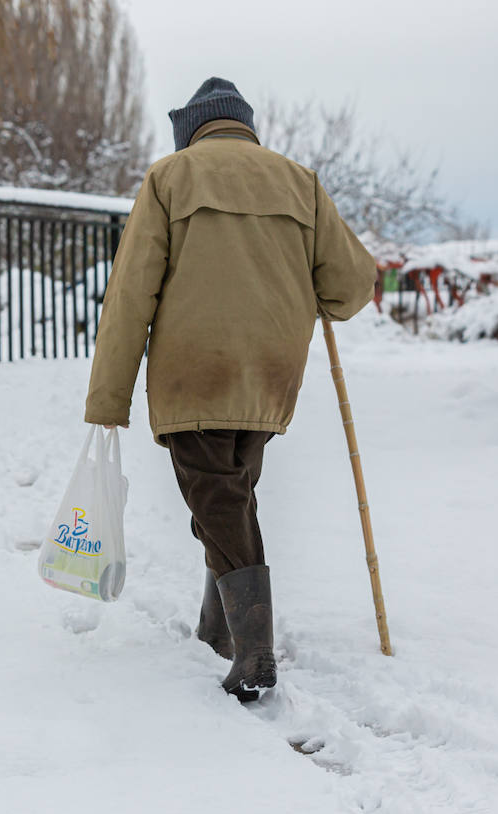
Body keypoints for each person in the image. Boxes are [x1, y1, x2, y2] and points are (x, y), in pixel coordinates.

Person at [83, 77, 376, 702]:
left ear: (191, 130)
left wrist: (109, 396)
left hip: (195, 368)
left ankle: (252, 650)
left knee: (217, 497)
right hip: (271, 370)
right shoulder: (301, 181)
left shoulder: (170, 177)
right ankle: (220, 626)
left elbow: (131, 296)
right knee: (229, 493)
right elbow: (352, 286)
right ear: (245, 126)